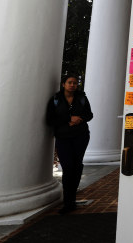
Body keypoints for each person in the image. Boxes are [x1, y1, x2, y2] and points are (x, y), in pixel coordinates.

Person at [46, 74, 93, 214]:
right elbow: (50, 119)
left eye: (74, 83)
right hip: (63, 137)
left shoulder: (82, 98)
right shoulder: (55, 100)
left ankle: (72, 201)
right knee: (67, 167)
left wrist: (80, 119)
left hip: (81, 136)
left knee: (77, 166)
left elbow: (90, 115)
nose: (72, 85)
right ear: (63, 84)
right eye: (69, 82)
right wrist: (68, 119)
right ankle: (67, 202)